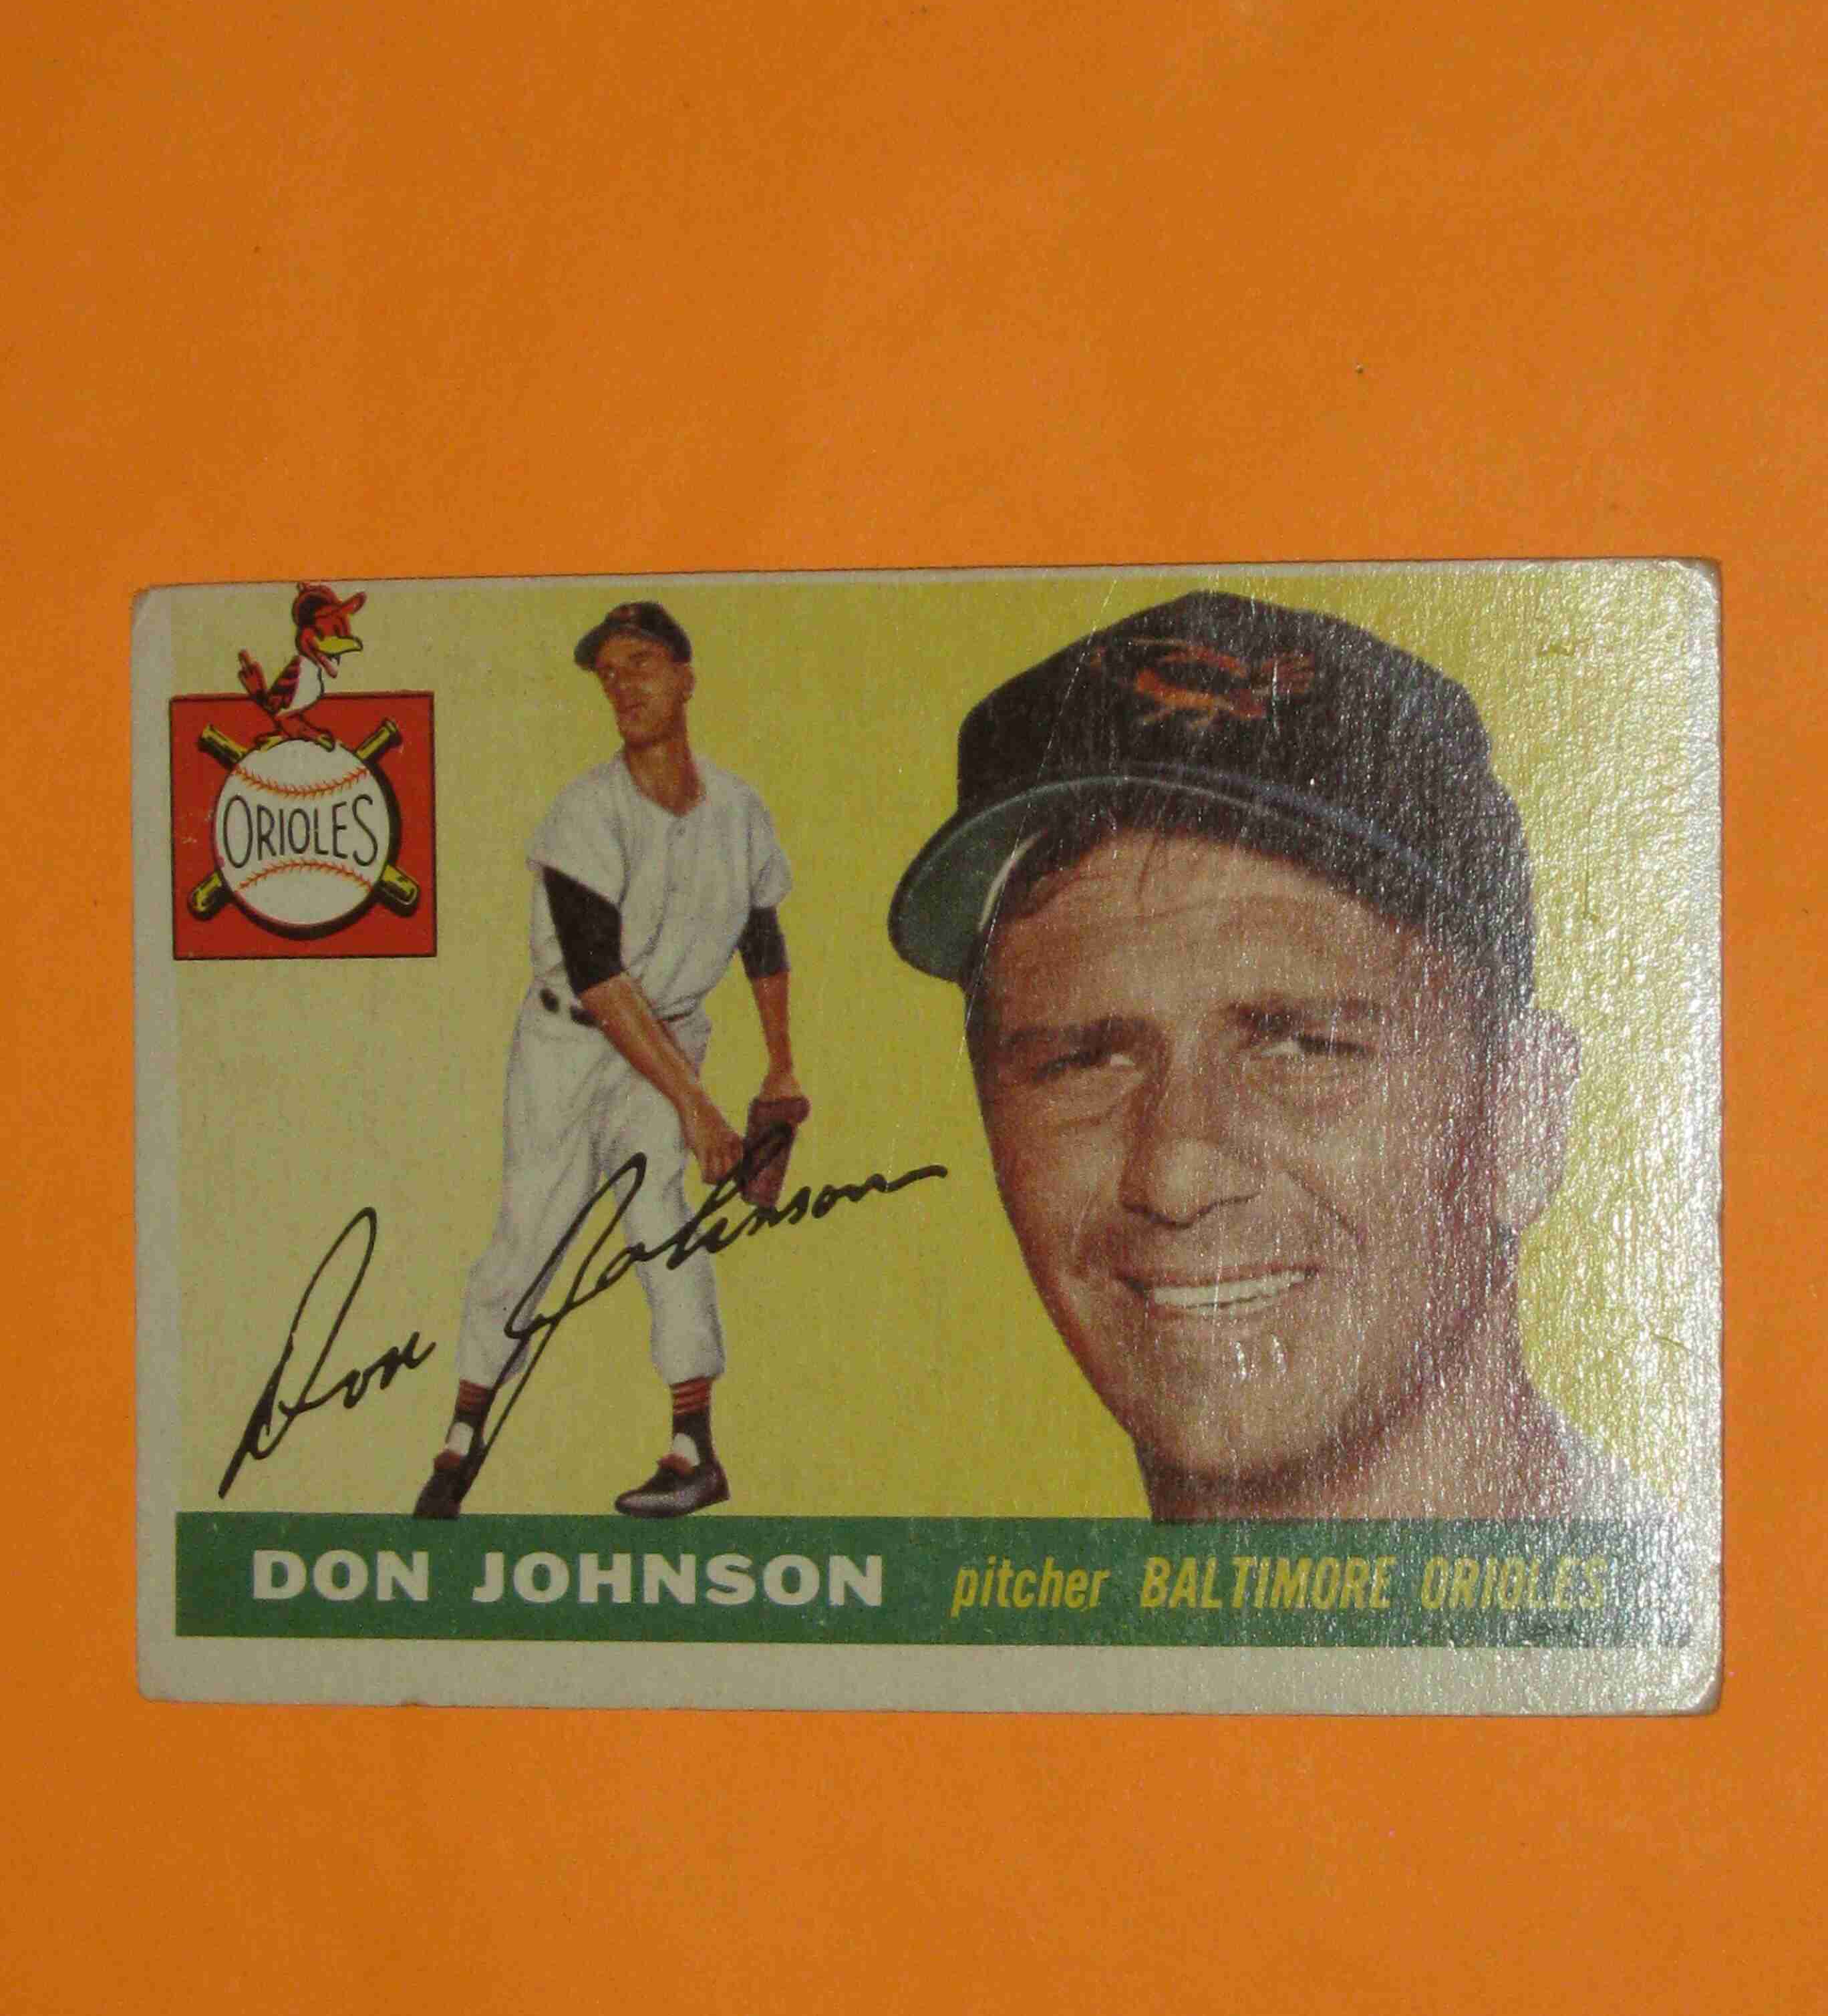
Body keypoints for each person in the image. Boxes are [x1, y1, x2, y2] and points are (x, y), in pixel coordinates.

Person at [889, 588, 1630, 1522]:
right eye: (1083, 1064)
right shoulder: (966, 1608)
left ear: (1526, 1113)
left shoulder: (1739, 1592)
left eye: (1302, 1048)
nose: (1175, 1176)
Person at [414, 600, 806, 1520]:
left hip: (670, 1034)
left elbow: (762, 937)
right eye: (609, 674)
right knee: (530, 1236)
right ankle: (463, 1437)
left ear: (686, 677)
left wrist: (781, 1066)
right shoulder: (585, 811)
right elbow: (598, 978)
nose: (623, 684)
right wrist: (699, 1110)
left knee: (663, 1221)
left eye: (642, 663)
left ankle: (693, 1448)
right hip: (569, 1044)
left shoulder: (739, 808)